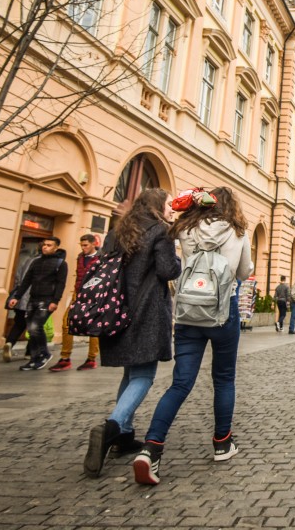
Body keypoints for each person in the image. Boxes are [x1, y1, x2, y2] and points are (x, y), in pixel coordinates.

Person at [132, 186, 252, 485]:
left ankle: (152, 448)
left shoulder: (185, 229)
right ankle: (222, 442)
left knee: (181, 382)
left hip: (188, 312)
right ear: (231, 207)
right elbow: (243, 272)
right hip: (223, 311)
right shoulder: (237, 232)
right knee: (224, 378)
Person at [83, 188, 180, 478]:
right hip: (146, 311)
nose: (171, 209)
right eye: (168, 204)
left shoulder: (119, 231)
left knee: (129, 372)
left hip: (115, 310)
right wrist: (178, 260)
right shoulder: (161, 231)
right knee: (143, 376)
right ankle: (112, 426)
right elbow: (167, 271)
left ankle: (124, 434)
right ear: (157, 206)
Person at [6, 237, 67, 371]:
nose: (45, 247)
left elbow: (61, 284)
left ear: (56, 247)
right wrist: (17, 297)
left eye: (49, 245)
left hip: (46, 300)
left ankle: (44, 354)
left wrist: (55, 301)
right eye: (44, 245)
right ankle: (34, 358)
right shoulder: (36, 262)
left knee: (35, 327)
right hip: (32, 299)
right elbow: (27, 280)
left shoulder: (60, 263)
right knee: (31, 329)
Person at [49, 234, 102, 372]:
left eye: (86, 245)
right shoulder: (80, 257)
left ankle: (91, 359)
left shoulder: (101, 258)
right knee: (66, 323)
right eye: (82, 245)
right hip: (77, 295)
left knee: (93, 328)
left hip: (93, 296)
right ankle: (65, 358)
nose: (83, 248)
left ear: (93, 244)